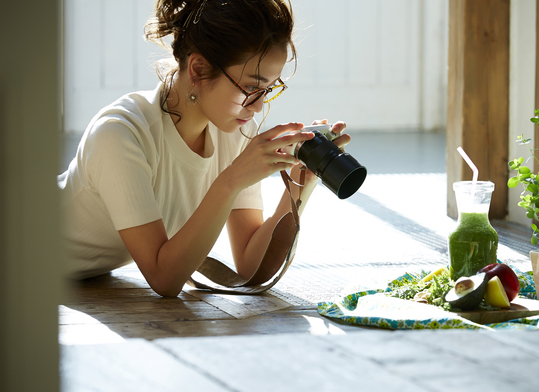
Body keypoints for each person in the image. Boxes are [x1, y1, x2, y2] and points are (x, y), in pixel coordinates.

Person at [58, 0, 350, 297]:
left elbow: (250, 267)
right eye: (251, 88)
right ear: (198, 69)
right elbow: (164, 279)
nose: (260, 106)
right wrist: (232, 179)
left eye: (269, 89)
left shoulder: (234, 131)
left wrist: (300, 186)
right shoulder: (120, 134)